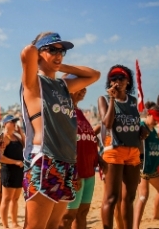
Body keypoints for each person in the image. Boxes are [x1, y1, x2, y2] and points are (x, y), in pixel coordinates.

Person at [20, 32, 100, 229]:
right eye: (52, 50)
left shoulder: (64, 85)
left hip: (66, 161)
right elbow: (26, 53)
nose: (59, 54)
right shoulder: (34, 83)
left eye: (61, 51)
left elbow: (94, 75)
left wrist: (58, 65)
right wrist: (39, 45)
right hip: (44, 158)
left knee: (54, 225)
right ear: (39, 53)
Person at [98, 64, 149, 229]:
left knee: (129, 197)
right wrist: (113, 99)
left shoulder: (133, 101)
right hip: (114, 150)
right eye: (113, 78)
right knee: (111, 198)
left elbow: (136, 124)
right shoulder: (104, 100)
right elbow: (107, 123)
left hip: (133, 151)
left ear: (128, 81)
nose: (117, 81)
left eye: (121, 78)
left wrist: (142, 130)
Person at [60, 85, 101, 229]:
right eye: (80, 86)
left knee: (82, 213)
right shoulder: (63, 112)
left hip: (89, 171)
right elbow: (63, 144)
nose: (84, 90)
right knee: (67, 217)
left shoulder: (80, 113)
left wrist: (100, 160)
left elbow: (86, 139)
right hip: (74, 172)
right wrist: (72, 172)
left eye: (86, 87)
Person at [0, 114, 25, 229]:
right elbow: (0, 157)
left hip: (19, 171)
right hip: (8, 170)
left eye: (15, 122)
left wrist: (21, 132)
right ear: (5, 124)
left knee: (15, 199)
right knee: (6, 198)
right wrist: (15, 162)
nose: (14, 123)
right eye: (12, 122)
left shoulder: (17, 136)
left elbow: (25, 145)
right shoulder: (2, 137)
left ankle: (14, 222)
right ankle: (5, 225)